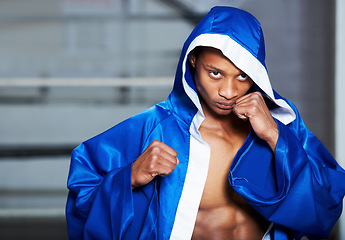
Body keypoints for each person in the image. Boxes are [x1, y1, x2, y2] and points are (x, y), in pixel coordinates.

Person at [65, 6, 345, 240]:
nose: (228, 91)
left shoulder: (281, 127)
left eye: (242, 77)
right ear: (192, 62)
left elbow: (326, 207)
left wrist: (275, 136)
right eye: (215, 73)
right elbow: (83, 200)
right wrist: (129, 177)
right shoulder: (155, 128)